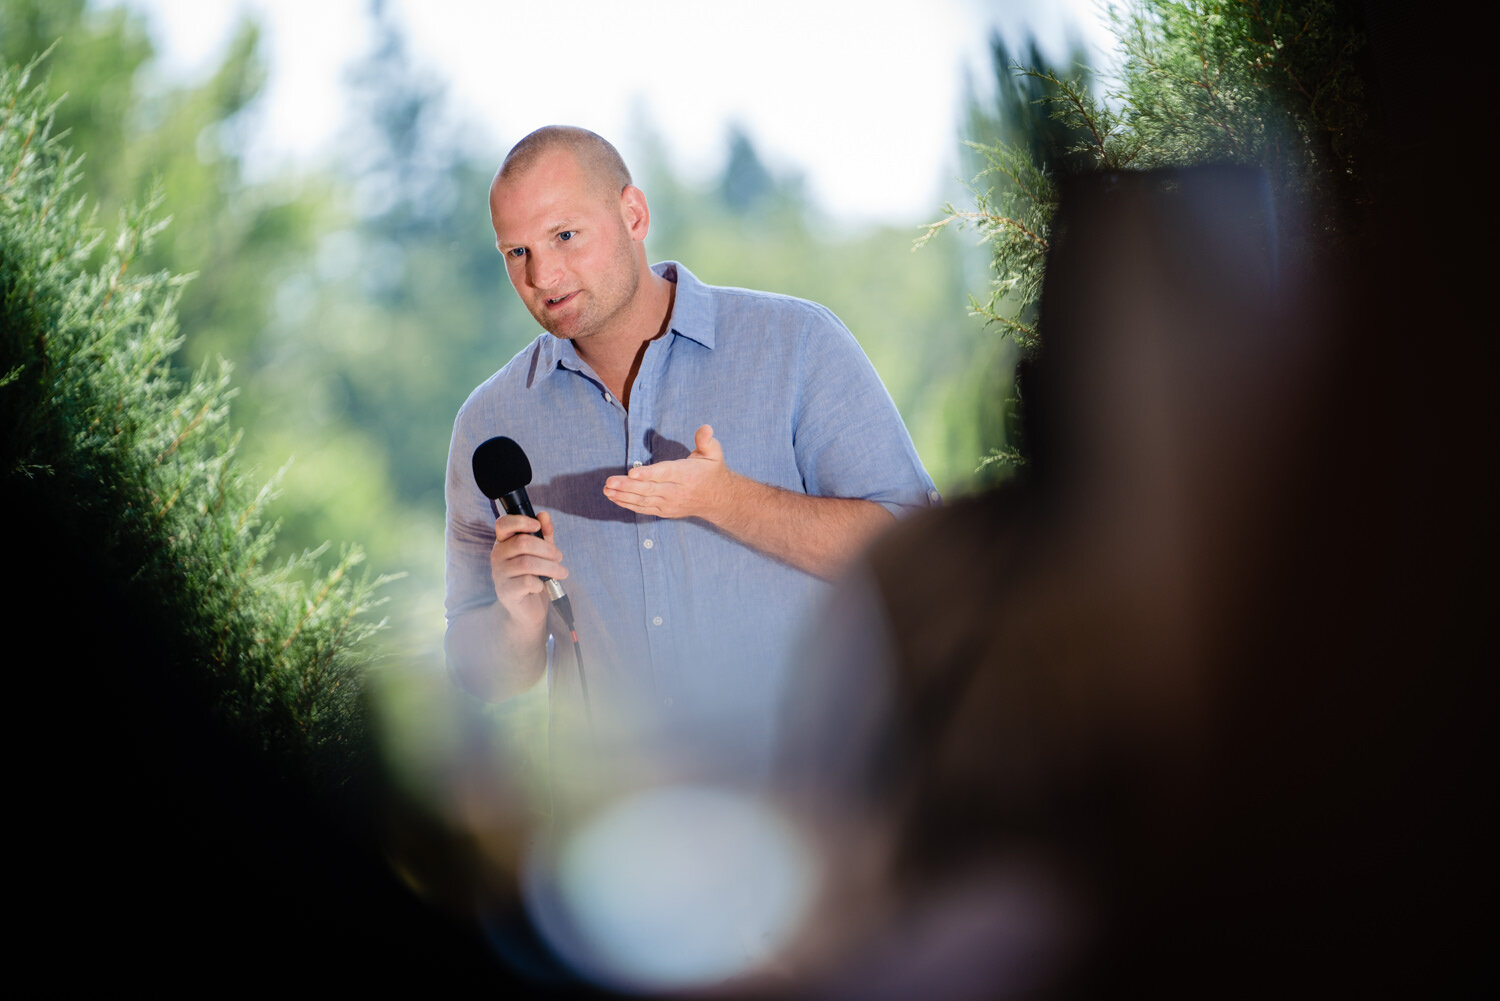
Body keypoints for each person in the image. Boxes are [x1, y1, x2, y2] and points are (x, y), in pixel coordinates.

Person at [443, 126, 937, 793]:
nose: (542, 275)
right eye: (516, 252)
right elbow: (482, 675)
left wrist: (728, 500)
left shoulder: (797, 346)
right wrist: (519, 620)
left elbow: (916, 561)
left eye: (565, 236)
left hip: (819, 816)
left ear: (634, 214)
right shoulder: (490, 424)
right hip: (621, 844)